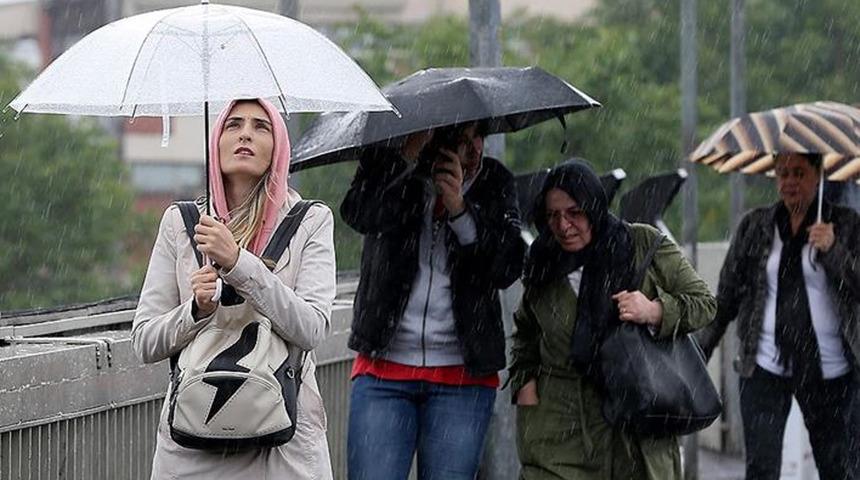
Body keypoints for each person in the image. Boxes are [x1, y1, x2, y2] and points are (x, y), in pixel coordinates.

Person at [132, 99, 336, 480]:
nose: (245, 133)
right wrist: (195, 310)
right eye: (233, 124)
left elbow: (312, 328)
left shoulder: (310, 221)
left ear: (278, 147)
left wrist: (238, 262)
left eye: (261, 126)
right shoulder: (182, 224)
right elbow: (145, 340)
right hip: (193, 445)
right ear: (215, 142)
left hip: (284, 447)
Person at [341, 121, 526, 480]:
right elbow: (360, 214)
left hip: (463, 375)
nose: (472, 147)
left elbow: (507, 267)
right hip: (384, 369)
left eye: (479, 135)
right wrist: (405, 159)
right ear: (432, 136)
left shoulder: (495, 182)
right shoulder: (390, 166)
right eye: (460, 137)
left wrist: (460, 210)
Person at [509, 159, 716, 480]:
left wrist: (655, 311)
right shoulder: (543, 264)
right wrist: (526, 385)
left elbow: (704, 304)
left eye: (574, 212)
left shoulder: (642, 244)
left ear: (593, 207)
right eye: (553, 215)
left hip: (635, 417)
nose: (563, 225)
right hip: (559, 426)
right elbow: (525, 332)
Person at [696, 153, 860, 480]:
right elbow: (727, 295)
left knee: (839, 468)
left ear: (818, 174)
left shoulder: (846, 223)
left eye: (799, 173)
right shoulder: (756, 225)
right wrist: (699, 350)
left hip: (828, 368)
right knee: (761, 467)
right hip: (764, 362)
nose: (789, 182)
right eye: (782, 173)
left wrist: (833, 249)